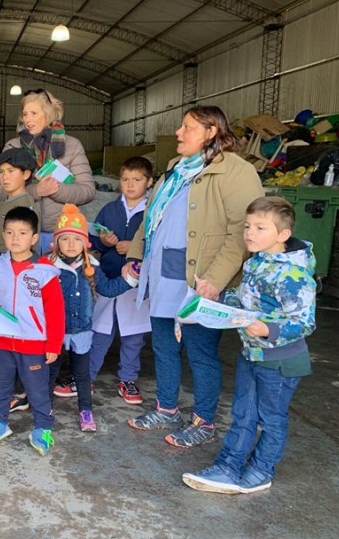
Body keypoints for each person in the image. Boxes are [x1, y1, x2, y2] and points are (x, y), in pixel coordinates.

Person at [124, 105, 263, 448]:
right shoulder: (176, 168)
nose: (178, 132)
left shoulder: (236, 171)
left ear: (211, 131)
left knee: (200, 352)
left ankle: (203, 421)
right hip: (161, 274)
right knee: (163, 346)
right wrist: (135, 256)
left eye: (187, 127)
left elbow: (241, 232)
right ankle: (167, 408)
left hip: (199, 279)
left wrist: (215, 279)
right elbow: (151, 218)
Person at [182, 196, 316, 493]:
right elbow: (243, 300)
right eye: (247, 226)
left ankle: (261, 471)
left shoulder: (294, 275)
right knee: (243, 414)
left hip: (280, 362)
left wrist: (268, 329)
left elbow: (305, 322)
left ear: (282, 234)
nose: (249, 233)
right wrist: (216, 297)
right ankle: (228, 467)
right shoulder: (255, 262)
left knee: (271, 419)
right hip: (251, 354)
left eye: (260, 227)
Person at [0, 207, 65, 456]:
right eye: (9, 232)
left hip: (34, 343)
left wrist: (53, 344)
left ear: (34, 237)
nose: (15, 238)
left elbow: (55, 311)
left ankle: (43, 428)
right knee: (1, 385)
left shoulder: (45, 271)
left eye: (23, 233)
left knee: (37, 389)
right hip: (3, 341)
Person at [48, 204, 133, 432]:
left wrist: (130, 279)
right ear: (56, 243)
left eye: (77, 239)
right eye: (65, 239)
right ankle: (44, 408)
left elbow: (108, 289)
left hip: (82, 331)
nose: (71, 244)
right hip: (54, 332)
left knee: (82, 375)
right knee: (50, 371)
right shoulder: (47, 268)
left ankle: (85, 410)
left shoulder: (92, 268)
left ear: (85, 243)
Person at [85, 156, 154, 405]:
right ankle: (86, 376)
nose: (130, 185)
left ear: (150, 182)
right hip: (108, 277)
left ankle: (128, 378)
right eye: (125, 179)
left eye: (137, 180)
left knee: (134, 336)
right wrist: (103, 242)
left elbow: (156, 244)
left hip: (137, 281)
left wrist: (134, 247)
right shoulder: (110, 209)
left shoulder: (152, 212)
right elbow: (94, 241)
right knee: (100, 331)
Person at [0, 89, 95, 254]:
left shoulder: (72, 146)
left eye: (34, 113)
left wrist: (57, 190)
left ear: (49, 115)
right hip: (22, 234)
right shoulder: (13, 147)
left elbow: (88, 191)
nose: (27, 119)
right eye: (25, 114)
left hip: (60, 234)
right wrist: (36, 191)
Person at [0, 148, 41, 257]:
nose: (5, 177)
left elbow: (23, 249)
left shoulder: (26, 208)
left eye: (11, 171)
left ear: (26, 174)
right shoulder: (3, 204)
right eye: (1, 172)